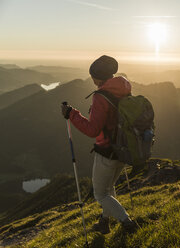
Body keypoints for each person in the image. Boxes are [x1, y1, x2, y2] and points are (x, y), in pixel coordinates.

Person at [61, 55, 137, 234]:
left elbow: (92, 130)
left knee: (100, 194)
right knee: (109, 189)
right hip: (124, 149)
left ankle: (127, 222)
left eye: (93, 76)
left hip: (107, 152)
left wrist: (72, 114)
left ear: (97, 77)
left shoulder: (101, 96)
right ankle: (104, 222)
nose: (92, 79)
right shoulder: (123, 89)